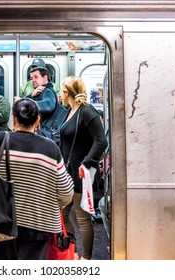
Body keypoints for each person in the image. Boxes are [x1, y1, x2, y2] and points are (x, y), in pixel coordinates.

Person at [0, 98, 74, 260]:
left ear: (13, 120)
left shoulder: (1, 140)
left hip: (2, 220)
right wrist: (55, 205)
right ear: (37, 121)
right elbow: (66, 192)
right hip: (40, 223)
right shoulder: (50, 148)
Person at [59, 76, 108, 260]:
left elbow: (101, 141)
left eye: (62, 91)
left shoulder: (87, 111)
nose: (60, 94)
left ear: (68, 93)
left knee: (82, 218)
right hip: (68, 173)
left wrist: (87, 162)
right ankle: (74, 253)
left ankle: (86, 259)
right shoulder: (69, 111)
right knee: (62, 214)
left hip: (82, 173)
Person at [24, 66, 67, 145]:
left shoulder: (47, 91)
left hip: (49, 135)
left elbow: (48, 105)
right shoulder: (39, 92)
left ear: (45, 77)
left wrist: (28, 103)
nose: (33, 80)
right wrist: (31, 96)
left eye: (36, 77)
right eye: (31, 78)